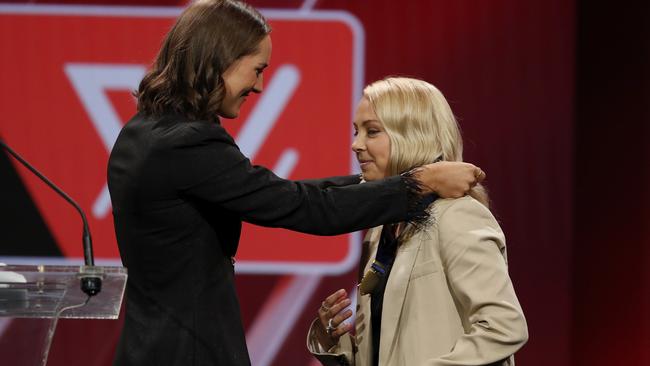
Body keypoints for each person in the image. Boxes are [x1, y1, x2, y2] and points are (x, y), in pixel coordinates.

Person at [107, 1, 484, 365]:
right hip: (187, 352)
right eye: (257, 69)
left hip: (148, 347)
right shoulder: (188, 143)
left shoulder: (142, 132)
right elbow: (303, 208)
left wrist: (383, 180)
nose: (258, 86)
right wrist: (416, 184)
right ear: (221, 60)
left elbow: (286, 193)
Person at [307, 77, 528, 366]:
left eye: (372, 132)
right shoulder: (381, 229)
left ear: (412, 135)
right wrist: (331, 338)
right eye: (356, 131)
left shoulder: (457, 215)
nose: (355, 144)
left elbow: (504, 327)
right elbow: (387, 349)